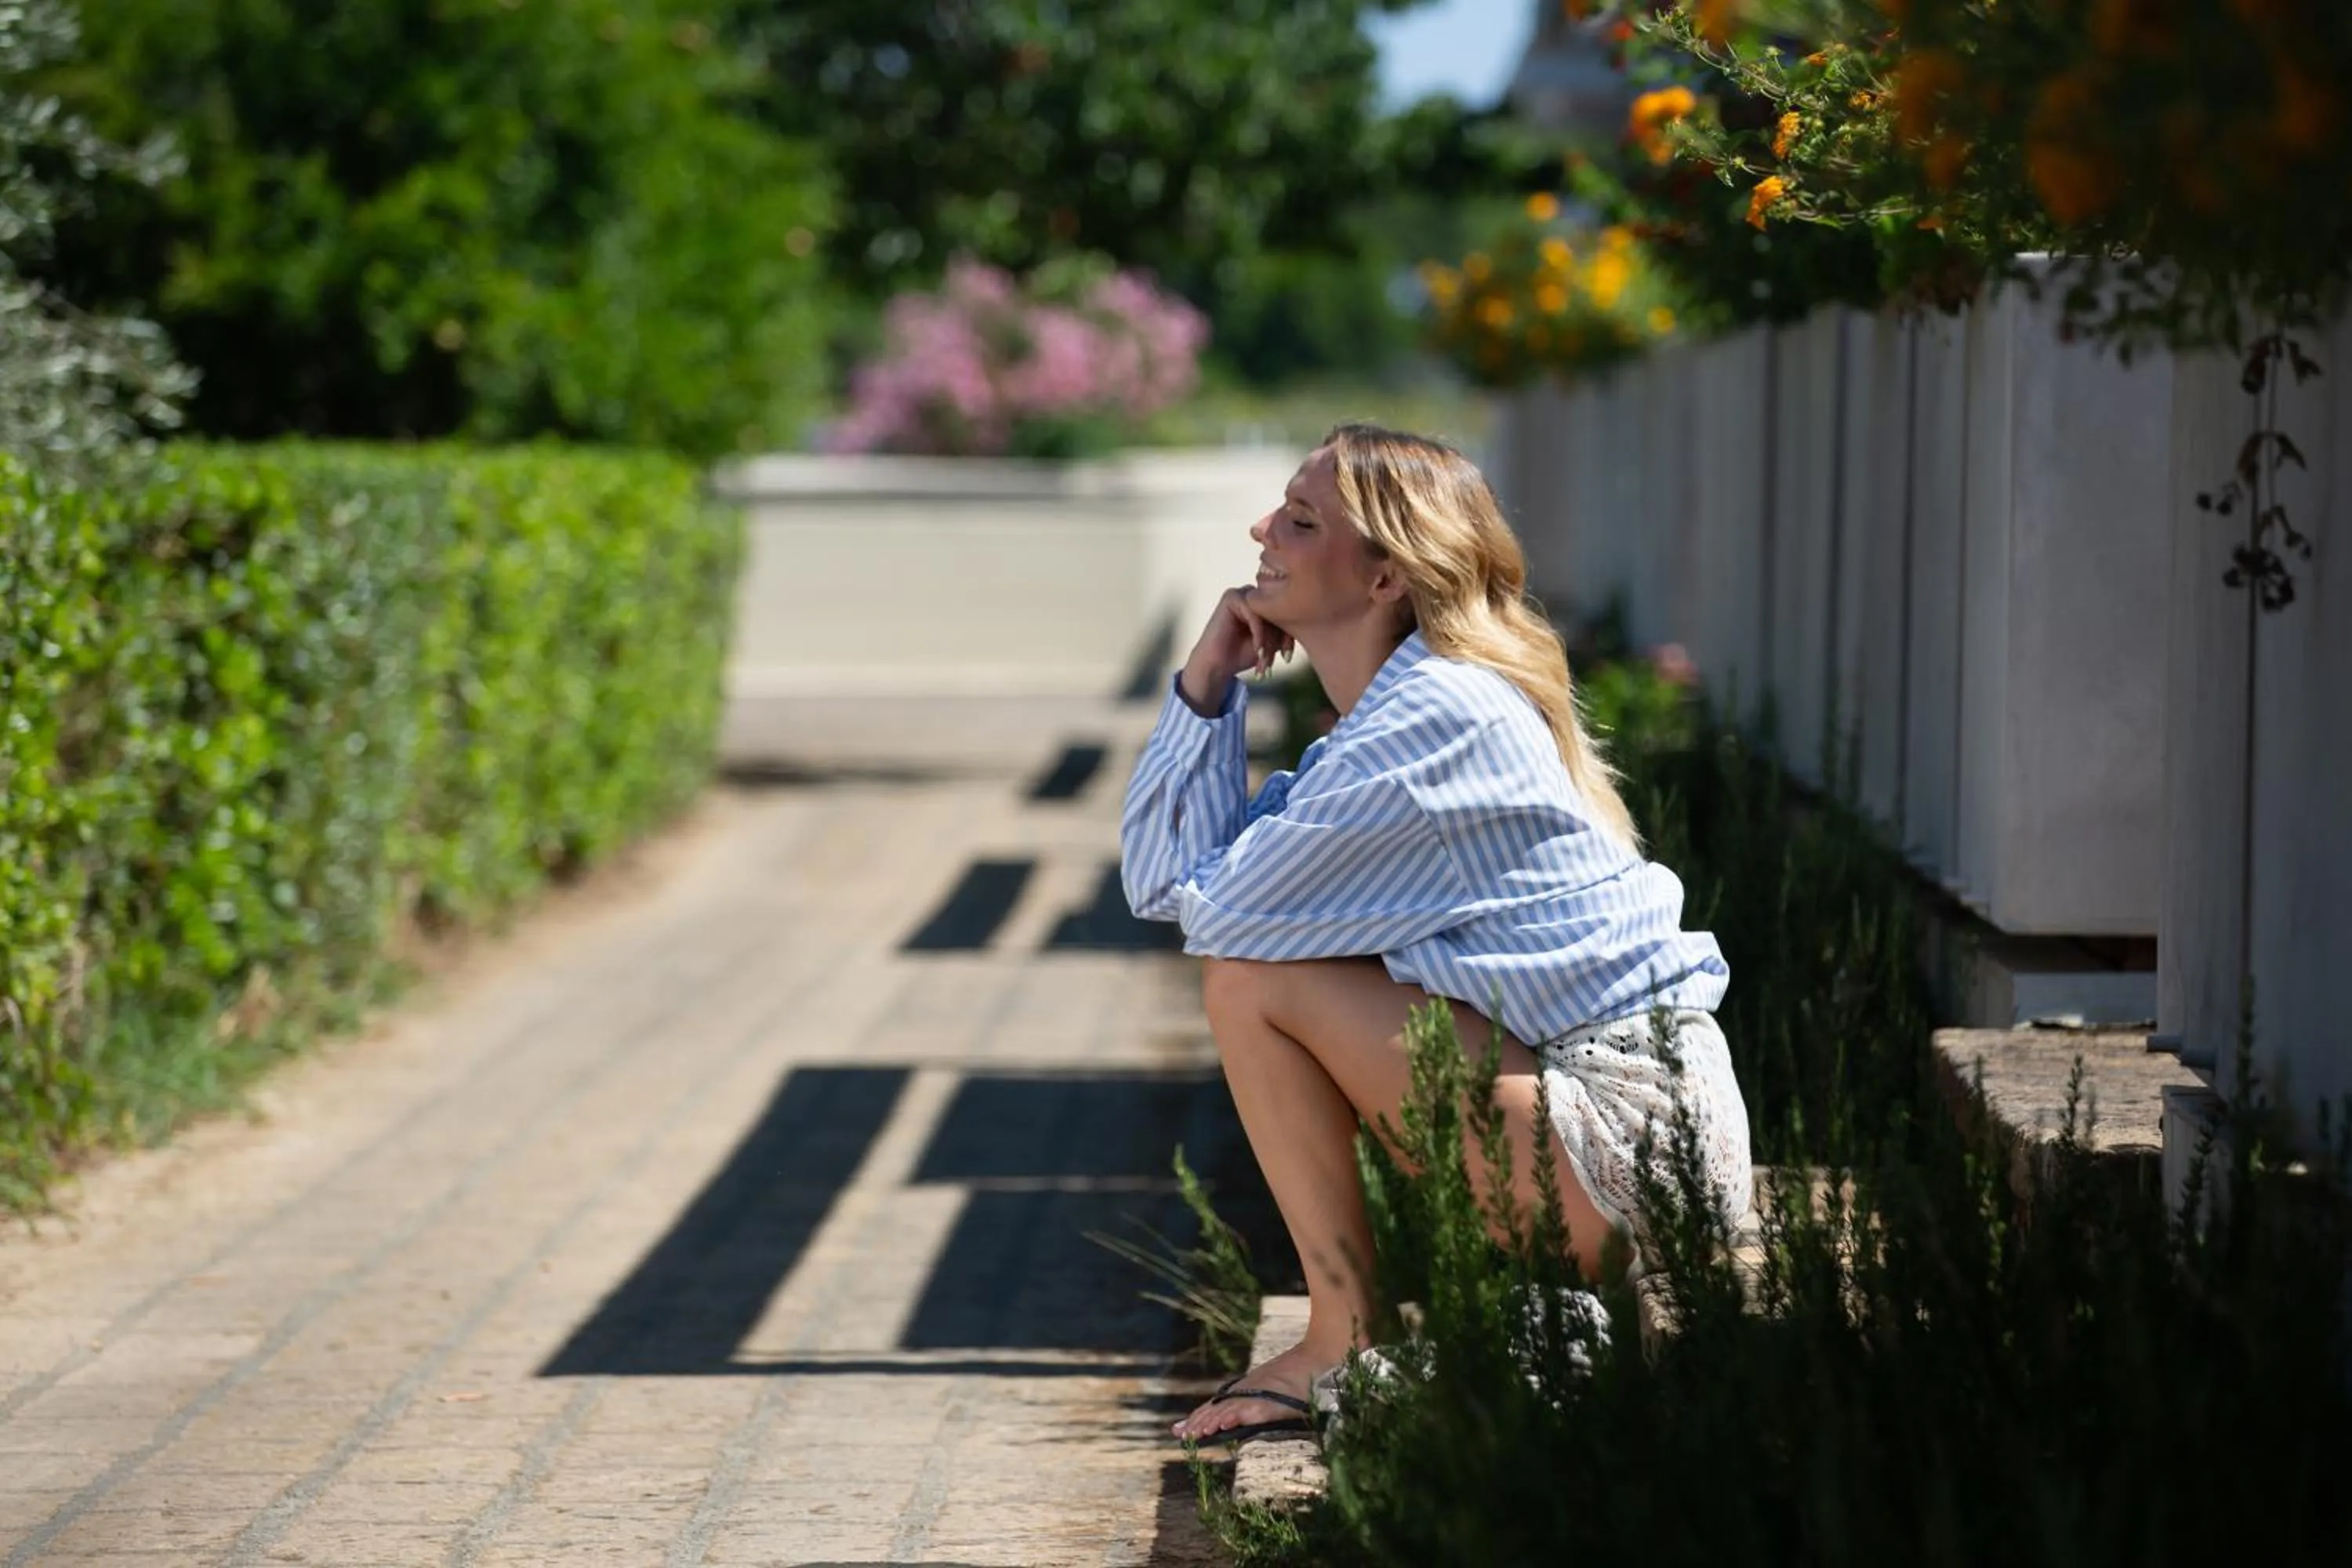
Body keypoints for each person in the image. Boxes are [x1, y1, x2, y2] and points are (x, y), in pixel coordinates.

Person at [1120, 423, 1753, 1447]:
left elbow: (1202, 908)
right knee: (1264, 962)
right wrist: (1207, 681)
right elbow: (1174, 886)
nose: (1261, 529)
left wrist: (1209, 691)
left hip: (1631, 1147)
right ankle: (1432, 1335)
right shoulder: (1405, 714)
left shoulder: (1434, 723)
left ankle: (1342, 1337)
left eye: (1300, 517)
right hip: (1626, 1139)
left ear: (1384, 579)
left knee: (1251, 978)